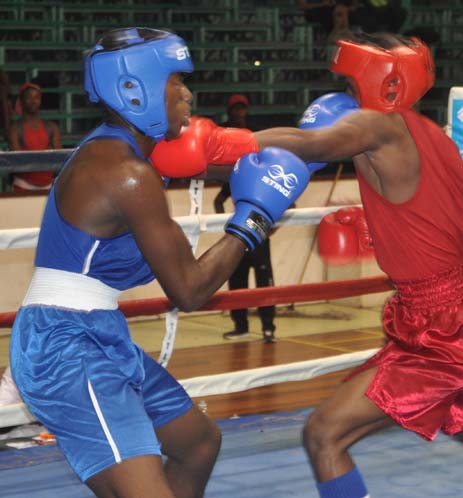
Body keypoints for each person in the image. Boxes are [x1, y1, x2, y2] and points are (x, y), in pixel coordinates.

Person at [255, 32, 463, 498]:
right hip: (459, 311)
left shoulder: (380, 127)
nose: (348, 98)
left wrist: (216, 142)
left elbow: (308, 144)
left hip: (445, 327)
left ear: (381, 82)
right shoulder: (437, 138)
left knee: (324, 434)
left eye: (352, 86)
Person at [9, 27, 309, 498]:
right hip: (64, 346)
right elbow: (189, 291)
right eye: (176, 81)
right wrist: (253, 220)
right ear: (135, 89)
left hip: (97, 332)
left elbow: (254, 145)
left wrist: (322, 144)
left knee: (198, 443)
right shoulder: (125, 172)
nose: (188, 94)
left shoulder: (125, 154)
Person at [214, 94, 276, 343]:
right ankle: (240, 327)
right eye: (235, 108)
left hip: (259, 235)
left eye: (243, 108)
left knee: (264, 284)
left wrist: (271, 228)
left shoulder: (264, 177)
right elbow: (219, 199)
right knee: (237, 282)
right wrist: (227, 228)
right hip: (240, 236)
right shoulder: (237, 177)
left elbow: (288, 201)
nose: (239, 112)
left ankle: (269, 328)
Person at [8, 82, 62, 192]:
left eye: (37, 97)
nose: (34, 101)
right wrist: (46, 155)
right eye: (29, 97)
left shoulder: (52, 128)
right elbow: (19, 161)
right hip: (23, 186)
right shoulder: (14, 129)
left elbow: (58, 159)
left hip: (48, 186)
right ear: (21, 102)